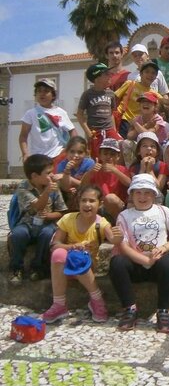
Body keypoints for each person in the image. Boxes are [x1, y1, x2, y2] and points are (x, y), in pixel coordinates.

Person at [109, 174, 169, 333]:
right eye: (138, 192)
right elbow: (123, 245)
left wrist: (165, 248)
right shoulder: (124, 216)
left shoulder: (163, 211)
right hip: (135, 263)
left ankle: (163, 310)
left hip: (158, 263)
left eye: (147, 193)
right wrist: (144, 260)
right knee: (117, 263)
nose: (142, 197)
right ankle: (129, 308)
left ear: (154, 194)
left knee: (168, 262)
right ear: (132, 194)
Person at [41, 185, 123, 323]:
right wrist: (73, 246)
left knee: (77, 257)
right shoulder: (68, 219)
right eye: (83, 200)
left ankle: (97, 299)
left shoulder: (102, 224)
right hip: (63, 267)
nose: (87, 204)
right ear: (78, 202)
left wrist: (118, 237)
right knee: (59, 254)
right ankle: (59, 304)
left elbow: (113, 239)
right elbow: (55, 245)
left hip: (87, 268)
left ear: (100, 204)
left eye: (92, 201)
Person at [9, 154, 68, 284]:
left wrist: (49, 216)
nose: (52, 175)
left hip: (47, 224)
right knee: (18, 234)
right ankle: (16, 268)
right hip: (27, 223)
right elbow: (37, 207)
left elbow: (62, 212)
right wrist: (47, 192)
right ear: (35, 176)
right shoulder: (23, 188)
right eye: (48, 173)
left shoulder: (53, 186)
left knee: (47, 233)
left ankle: (38, 268)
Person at [19, 78, 77, 165]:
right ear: (35, 95)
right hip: (38, 158)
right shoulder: (30, 114)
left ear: (53, 95)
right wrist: (25, 153)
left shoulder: (61, 112)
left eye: (46, 91)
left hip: (58, 155)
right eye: (39, 91)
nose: (42, 94)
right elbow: (23, 136)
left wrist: (68, 150)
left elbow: (72, 131)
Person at [80, 138, 131, 222]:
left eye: (112, 154)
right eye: (105, 153)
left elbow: (129, 183)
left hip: (117, 206)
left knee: (110, 198)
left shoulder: (122, 169)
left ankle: (119, 223)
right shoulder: (95, 169)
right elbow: (82, 185)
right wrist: (90, 172)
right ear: (100, 155)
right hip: (99, 206)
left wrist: (115, 171)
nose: (108, 157)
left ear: (118, 156)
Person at [77, 63, 119, 160]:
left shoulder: (111, 94)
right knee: (97, 157)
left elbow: (111, 114)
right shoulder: (87, 94)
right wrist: (88, 132)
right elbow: (79, 115)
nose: (110, 75)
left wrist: (114, 130)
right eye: (106, 74)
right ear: (97, 78)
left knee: (117, 150)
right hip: (95, 131)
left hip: (109, 130)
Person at [114, 61, 163, 139]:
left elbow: (165, 102)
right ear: (140, 73)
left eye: (153, 73)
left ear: (156, 76)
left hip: (140, 123)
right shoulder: (130, 84)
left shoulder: (154, 94)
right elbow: (114, 97)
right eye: (147, 72)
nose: (150, 75)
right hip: (125, 120)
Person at [56, 136, 95, 211]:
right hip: (68, 194)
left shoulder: (89, 163)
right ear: (66, 152)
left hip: (86, 192)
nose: (76, 155)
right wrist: (67, 171)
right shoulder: (62, 165)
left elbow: (87, 185)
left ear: (86, 153)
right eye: (72, 151)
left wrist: (70, 179)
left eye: (80, 152)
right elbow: (65, 188)